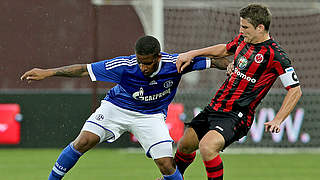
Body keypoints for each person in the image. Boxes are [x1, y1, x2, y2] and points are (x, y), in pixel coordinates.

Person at [20, 35, 229, 180]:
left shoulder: (174, 63)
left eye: (147, 63)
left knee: (166, 164)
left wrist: (231, 66)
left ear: (158, 57)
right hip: (117, 108)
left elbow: (212, 61)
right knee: (83, 141)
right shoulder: (124, 66)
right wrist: (48, 72)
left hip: (150, 116)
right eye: (140, 62)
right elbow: (84, 70)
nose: (143, 67)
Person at [173, 3, 302, 180]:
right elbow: (225, 49)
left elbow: (295, 90)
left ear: (260, 27)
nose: (241, 30)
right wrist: (193, 53)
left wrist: (278, 119)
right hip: (215, 107)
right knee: (184, 146)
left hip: (237, 114)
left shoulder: (276, 55)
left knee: (207, 147)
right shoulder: (243, 40)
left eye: (245, 27)